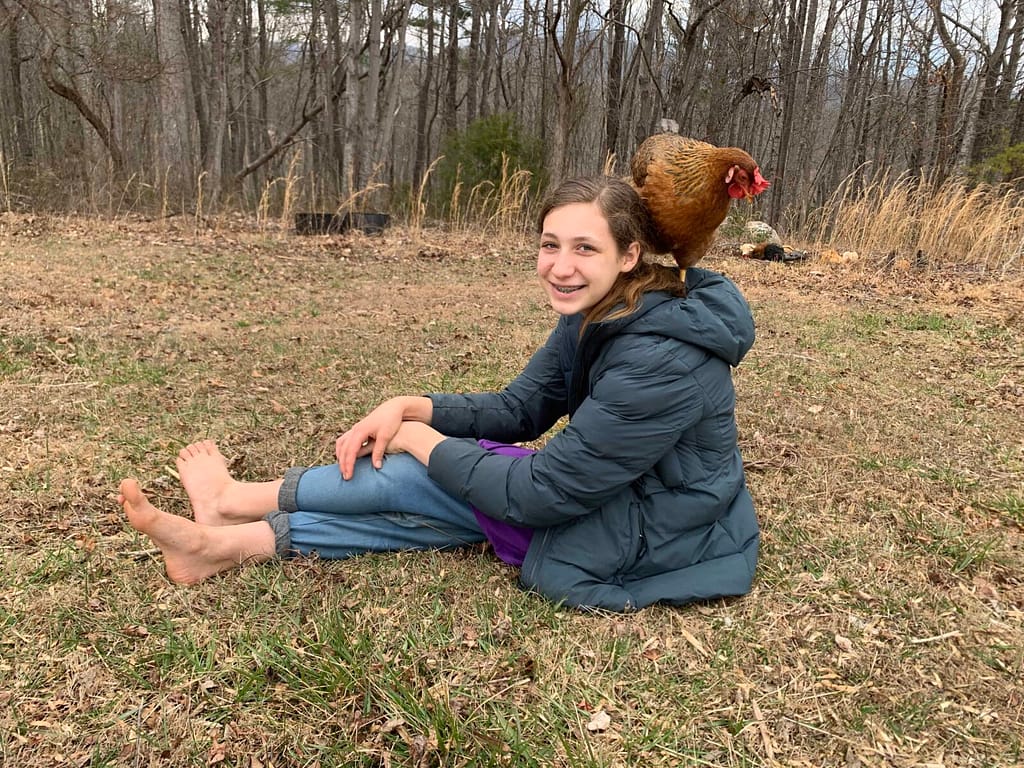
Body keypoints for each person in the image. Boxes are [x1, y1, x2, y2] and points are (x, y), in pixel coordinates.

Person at [119, 175, 759, 612]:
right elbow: (520, 409)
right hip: (616, 492)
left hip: (663, 529)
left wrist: (421, 440)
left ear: (629, 255)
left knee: (441, 481)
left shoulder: (660, 356)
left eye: (584, 248)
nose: (560, 266)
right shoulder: (603, 309)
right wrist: (415, 407)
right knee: (452, 491)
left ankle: (233, 508)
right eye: (549, 244)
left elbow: (541, 492)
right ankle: (224, 542)